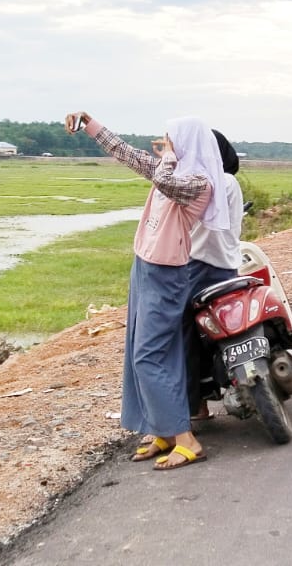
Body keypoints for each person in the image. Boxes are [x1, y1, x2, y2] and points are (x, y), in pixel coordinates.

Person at [64, 110, 229, 470]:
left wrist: (168, 158)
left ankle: (185, 439)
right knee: (143, 353)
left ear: (186, 143)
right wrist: (91, 125)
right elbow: (126, 153)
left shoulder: (199, 183)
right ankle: (162, 430)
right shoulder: (174, 170)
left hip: (166, 274)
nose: (165, 144)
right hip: (145, 266)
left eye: (170, 138)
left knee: (149, 354)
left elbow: (165, 182)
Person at [183, 130, 245, 423]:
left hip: (200, 268)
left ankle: (197, 404)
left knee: (184, 333)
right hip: (228, 268)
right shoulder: (231, 182)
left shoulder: (217, 182)